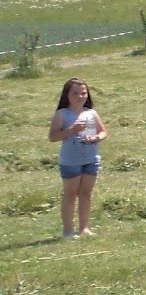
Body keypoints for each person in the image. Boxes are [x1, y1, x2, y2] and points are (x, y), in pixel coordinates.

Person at [48, 76, 107, 240]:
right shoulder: (62, 114)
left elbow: (103, 132)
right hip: (70, 161)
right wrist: (72, 130)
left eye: (83, 93)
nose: (80, 97)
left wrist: (96, 138)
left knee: (86, 193)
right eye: (76, 93)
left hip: (91, 159)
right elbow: (52, 137)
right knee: (70, 194)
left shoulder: (91, 113)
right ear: (67, 95)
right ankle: (68, 231)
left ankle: (85, 228)